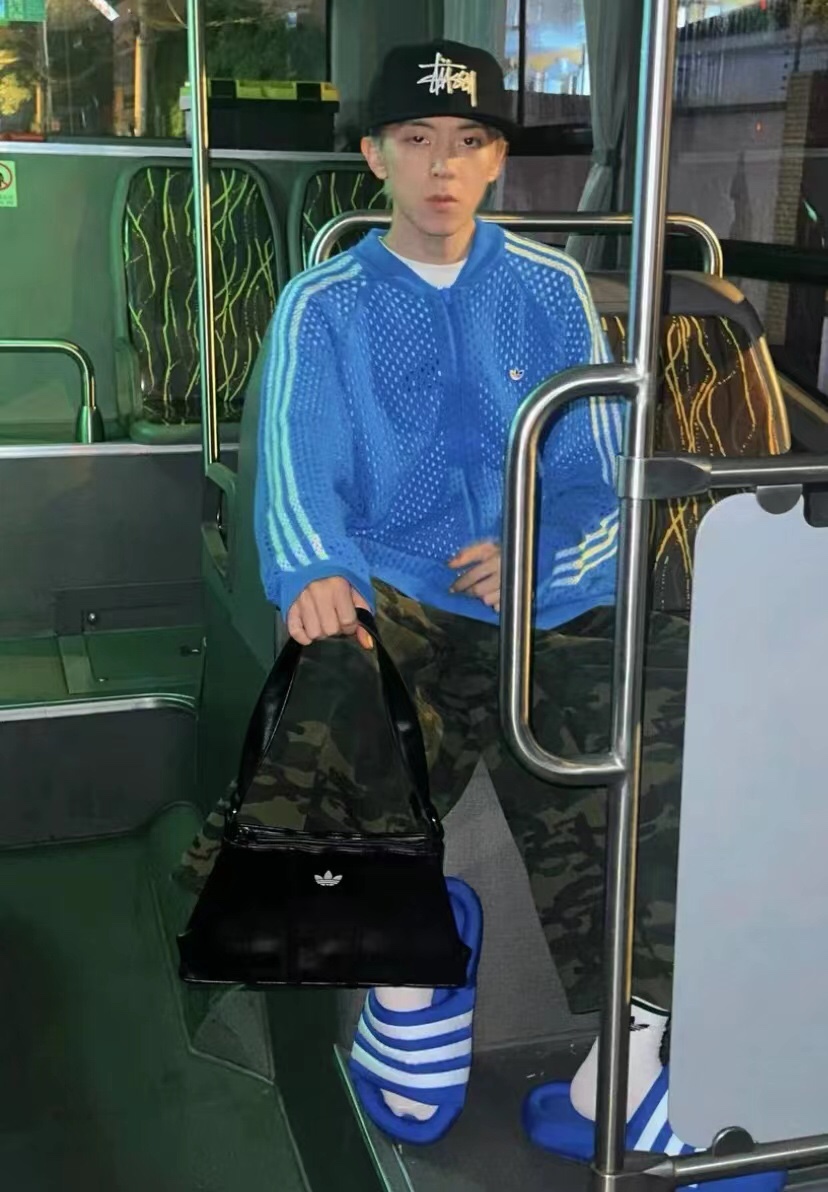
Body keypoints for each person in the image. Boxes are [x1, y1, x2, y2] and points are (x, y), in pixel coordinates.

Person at [180, 37, 781, 1188]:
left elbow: (600, 471)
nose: (442, 166)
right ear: (375, 157)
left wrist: (538, 552)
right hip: (402, 593)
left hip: (550, 602)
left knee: (668, 713)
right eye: (416, 139)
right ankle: (410, 963)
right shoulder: (324, 304)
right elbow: (305, 470)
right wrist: (316, 570)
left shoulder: (549, 290)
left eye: (467, 141)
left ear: (498, 158)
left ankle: (634, 1058)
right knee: (332, 695)